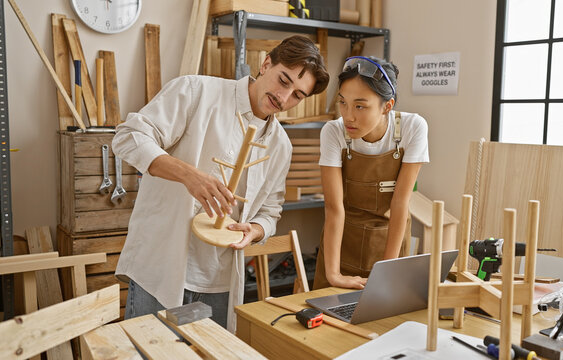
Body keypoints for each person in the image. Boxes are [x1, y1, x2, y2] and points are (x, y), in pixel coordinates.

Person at [112, 35, 329, 332]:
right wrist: (188, 175)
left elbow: (270, 210)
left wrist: (254, 230)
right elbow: (127, 137)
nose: (284, 97)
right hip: (161, 268)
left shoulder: (280, 145)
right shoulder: (196, 91)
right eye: (283, 80)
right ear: (266, 64)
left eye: (297, 95)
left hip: (220, 281)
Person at [313, 56, 429, 290]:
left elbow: (400, 203)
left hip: (389, 244)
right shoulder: (333, 132)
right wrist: (334, 274)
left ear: (387, 106)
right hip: (342, 243)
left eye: (360, 106)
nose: (348, 116)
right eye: (342, 102)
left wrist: (386, 271)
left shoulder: (413, 128)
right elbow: (334, 208)